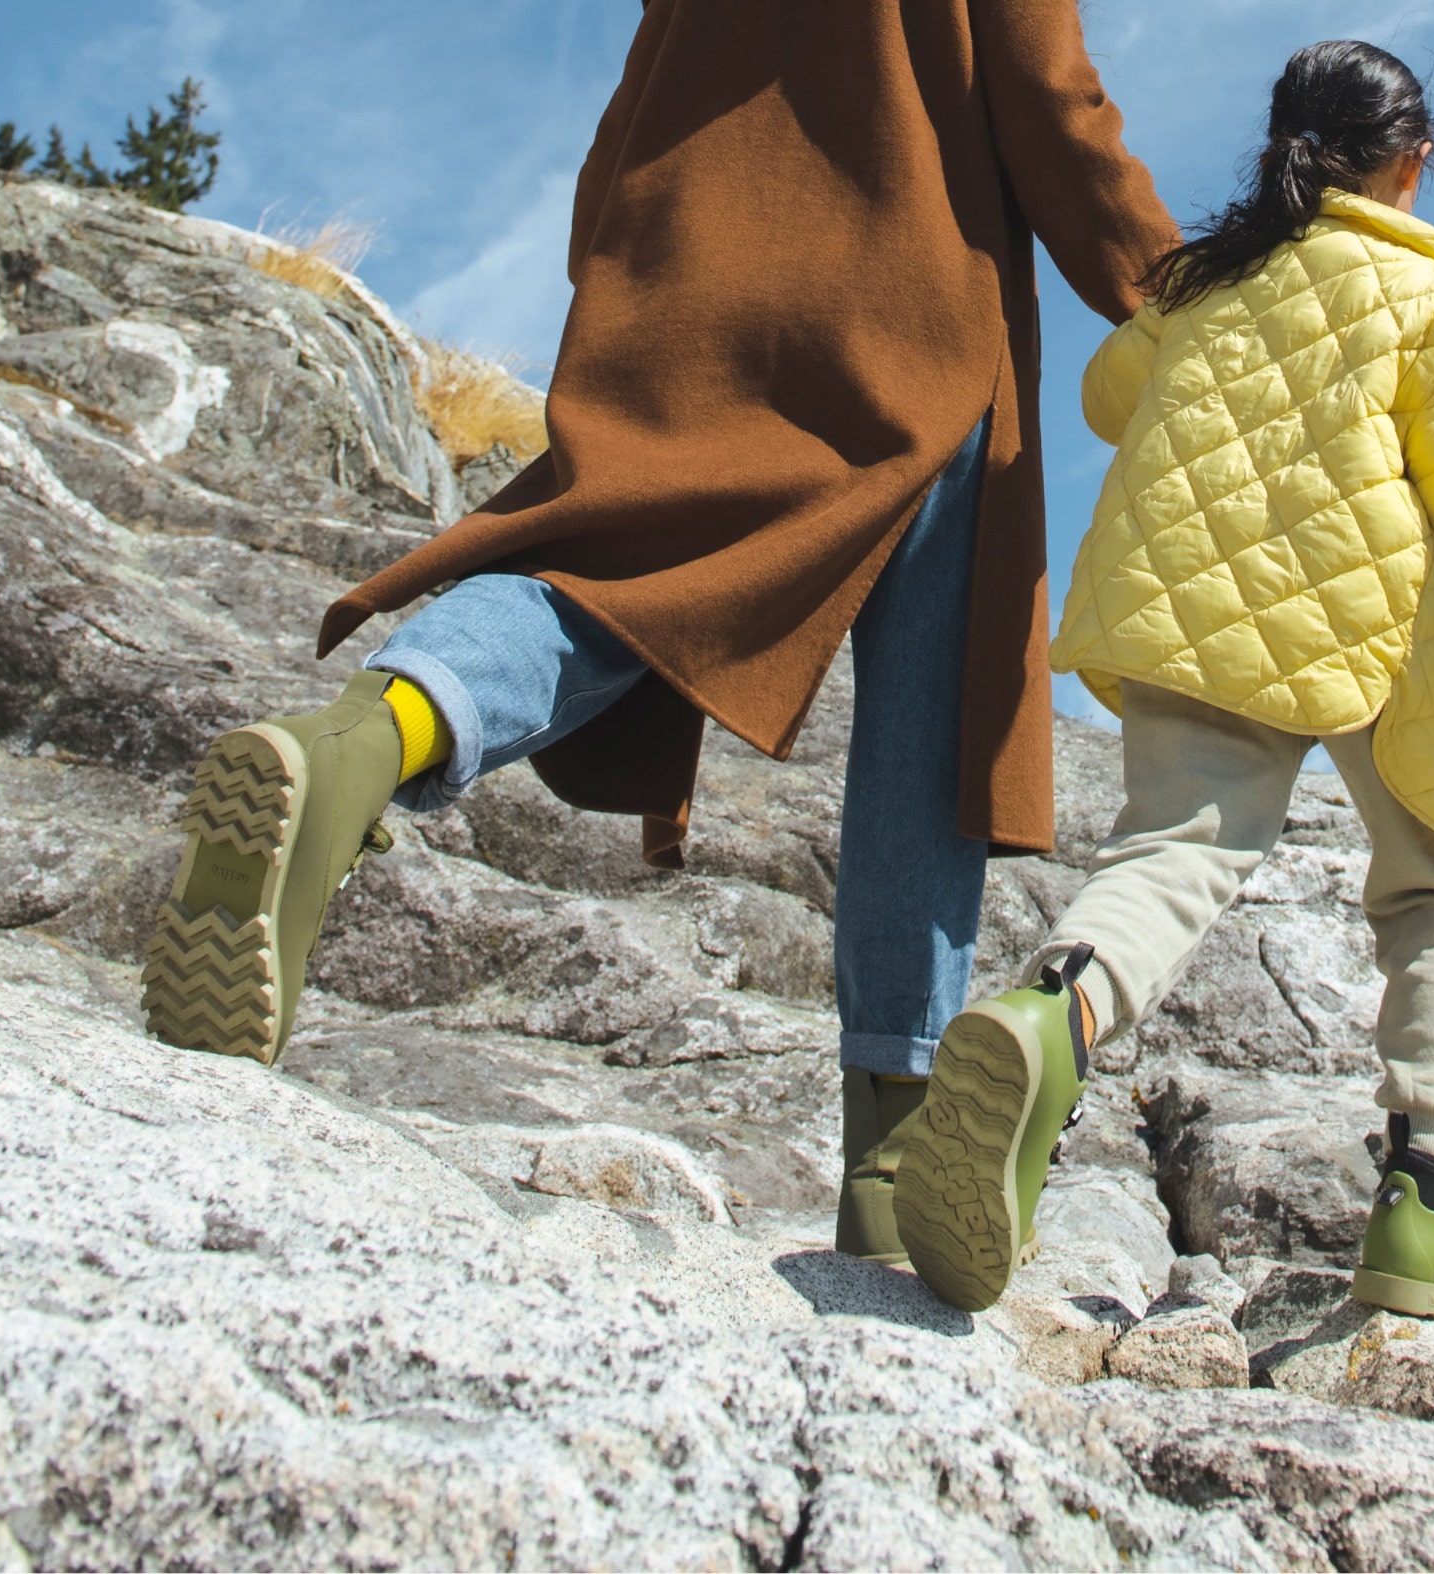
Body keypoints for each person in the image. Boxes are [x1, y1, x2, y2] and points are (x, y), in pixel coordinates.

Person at [139, 0, 1178, 1267]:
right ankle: (894, 1154)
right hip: (913, 300)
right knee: (932, 692)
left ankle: (360, 742)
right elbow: (1048, 96)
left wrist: (611, 286)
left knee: (613, 574)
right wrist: (1172, 295)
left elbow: (627, 110)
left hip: (687, 270)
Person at [893, 40, 1434, 1319]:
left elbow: (1115, 395)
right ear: (1408, 161)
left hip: (1190, 597)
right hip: (1389, 628)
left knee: (1170, 851)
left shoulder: (1200, 286)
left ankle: (1051, 1017)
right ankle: (1427, 1203)